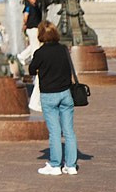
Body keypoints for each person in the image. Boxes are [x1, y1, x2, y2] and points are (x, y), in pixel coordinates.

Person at [29, 21, 80, 176]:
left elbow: (31, 70)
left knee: (55, 131)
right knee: (69, 130)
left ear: (41, 35)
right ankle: (71, 165)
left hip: (49, 95)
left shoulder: (41, 52)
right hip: (65, 94)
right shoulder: (63, 50)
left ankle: (55, 165)